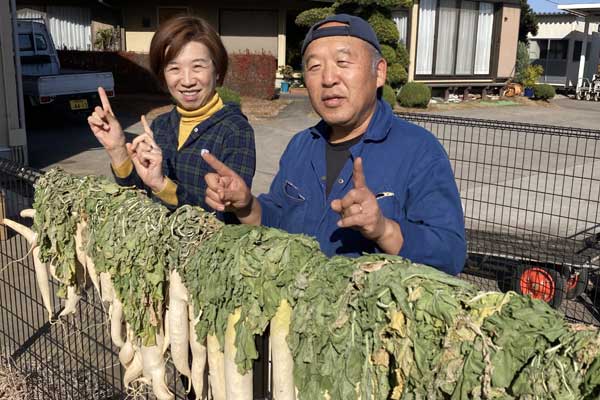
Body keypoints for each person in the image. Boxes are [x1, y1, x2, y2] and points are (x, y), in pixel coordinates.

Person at [202, 14, 466, 275]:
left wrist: (384, 229)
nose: (328, 79)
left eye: (342, 61)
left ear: (379, 72)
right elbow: (277, 222)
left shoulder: (419, 150)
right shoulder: (301, 146)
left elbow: (451, 254)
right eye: (314, 67)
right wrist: (245, 204)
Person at [88, 16, 255, 221]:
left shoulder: (235, 131)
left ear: (217, 71)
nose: (186, 81)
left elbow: (226, 219)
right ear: (163, 76)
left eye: (198, 66)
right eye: (174, 68)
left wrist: (163, 186)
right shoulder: (161, 125)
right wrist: (118, 150)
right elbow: (137, 198)